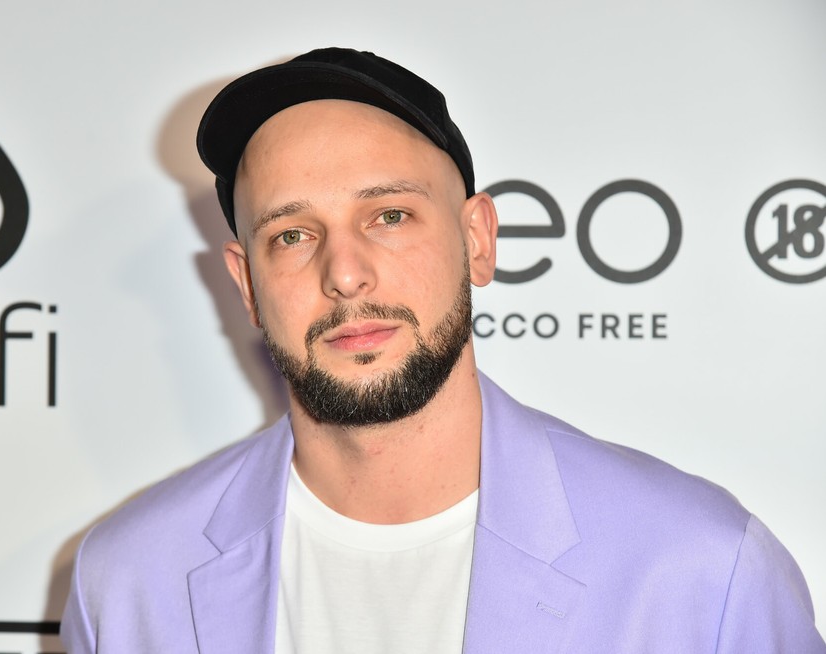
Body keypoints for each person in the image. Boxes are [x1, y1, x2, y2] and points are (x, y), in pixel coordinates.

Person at [60, 47, 824, 653]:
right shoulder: (128, 580)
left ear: (477, 240)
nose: (344, 273)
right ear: (247, 283)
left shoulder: (701, 570)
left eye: (389, 216)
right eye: (291, 235)